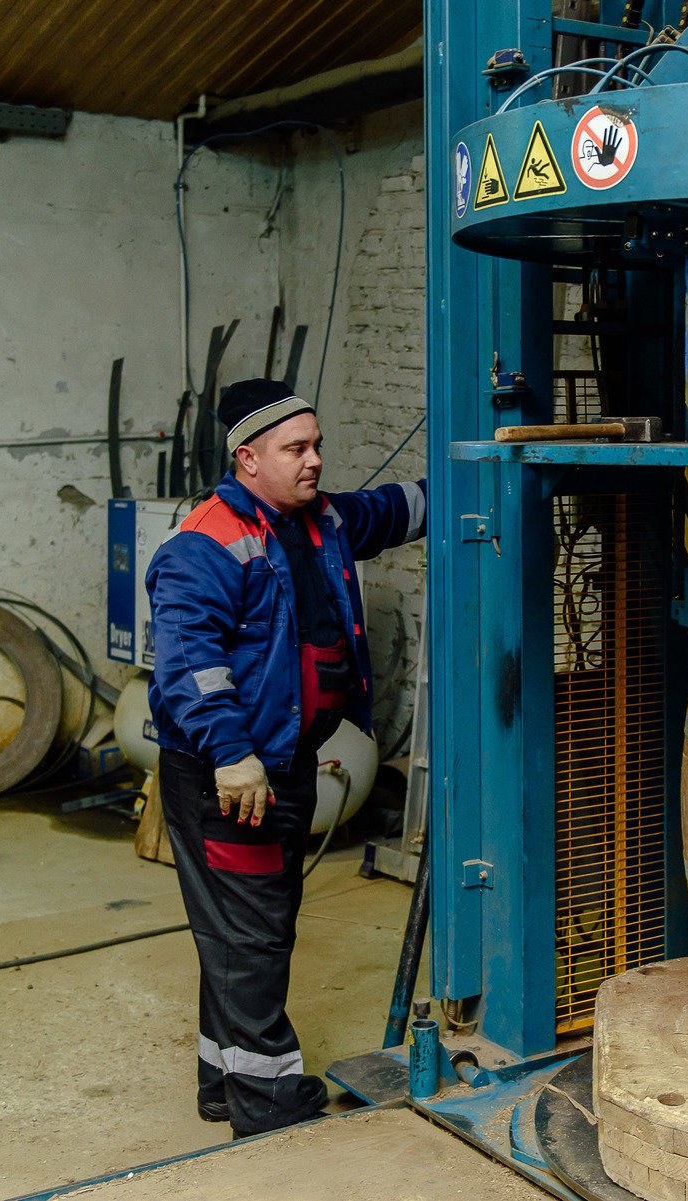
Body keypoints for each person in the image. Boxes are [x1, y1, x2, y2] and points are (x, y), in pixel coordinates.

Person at [146, 378, 425, 1137]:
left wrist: (489, 469)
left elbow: (399, 509)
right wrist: (232, 753)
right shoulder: (205, 543)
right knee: (255, 933)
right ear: (248, 457)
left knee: (246, 930)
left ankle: (221, 1082)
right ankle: (266, 1101)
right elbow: (188, 659)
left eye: (317, 444)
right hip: (231, 776)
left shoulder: (320, 518)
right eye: (297, 448)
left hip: (286, 763)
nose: (315, 460)